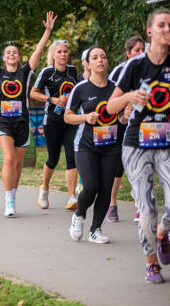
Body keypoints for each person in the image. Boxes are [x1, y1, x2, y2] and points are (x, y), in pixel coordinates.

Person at [0, 11, 56, 217]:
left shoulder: (26, 72)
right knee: (7, 160)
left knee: (17, 163)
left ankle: (13, 192)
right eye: (8, 53)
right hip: (4, 122)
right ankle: (9, 201)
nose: (12, 54)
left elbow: (38, 52)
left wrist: (48, 31)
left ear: (19, 57)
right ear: (4, 57)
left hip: (23, 123)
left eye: (15, 52)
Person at [107, 9, 170, 284]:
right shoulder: (134, 66)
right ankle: (151, 262)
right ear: (150, 31)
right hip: (137, 143)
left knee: (163, 215)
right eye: (162, 24)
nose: (167, 29)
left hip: (167, 141)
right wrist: (129, 96)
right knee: (146, 210)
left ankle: (163, 232)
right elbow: (111, 106)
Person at [65, 46, 128, 244]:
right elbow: (67, 117)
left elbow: (122, 119)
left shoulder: (116, 89)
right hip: (86, 146)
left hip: (111, 145)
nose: (100, 60)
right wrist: (85, 117)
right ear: (88, 63)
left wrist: (125, 115)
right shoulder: (81, 88)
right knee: (91, 187)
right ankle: (80, 215)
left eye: (103, 56)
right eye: (95, 57)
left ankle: (95, 230)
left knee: (106, 188)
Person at [30, 40, 79, 210]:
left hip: (70, 119)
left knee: (72, 158)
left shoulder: (73, 71)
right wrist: (51, 99)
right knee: (53, 158)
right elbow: (33, 93)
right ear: (53, 55)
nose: (63, 55)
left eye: (65, 51)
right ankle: (44, 188)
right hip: (52, 120)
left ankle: (72, 196)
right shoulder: (47, 72)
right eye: (59, 52)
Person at [106, 36, 145, 223]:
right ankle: (112, 203)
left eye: (142, 49)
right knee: (118, 165)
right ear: (128, 53)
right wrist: (123, 111)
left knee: (143, 162)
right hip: (119, 121)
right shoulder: (119, 71)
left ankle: (140, 205)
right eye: (136, 50)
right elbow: (110, 99)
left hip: (143, 121)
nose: (141, 53)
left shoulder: (151, 68)